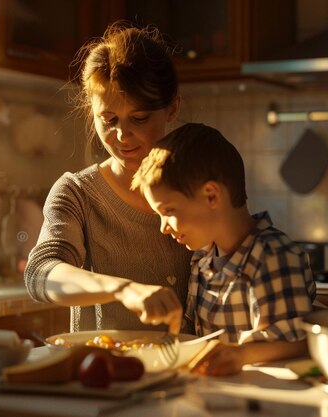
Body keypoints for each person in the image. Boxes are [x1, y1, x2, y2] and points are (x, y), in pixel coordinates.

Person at [24, 22, 192, 334]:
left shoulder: (197, 186)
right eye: (108, 119)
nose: (122, 135)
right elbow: (41, 273)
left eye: (139, 118)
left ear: (172, 109)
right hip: (103, 375)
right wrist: (122, 289)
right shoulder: (77, 193)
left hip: (191, 372)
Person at [131, 123, 317, 376]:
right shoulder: (203, 259)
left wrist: (240, 354)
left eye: (169, 212)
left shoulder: (271, 256)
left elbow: (298, 341)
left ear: (211, 196)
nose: (163, 228)